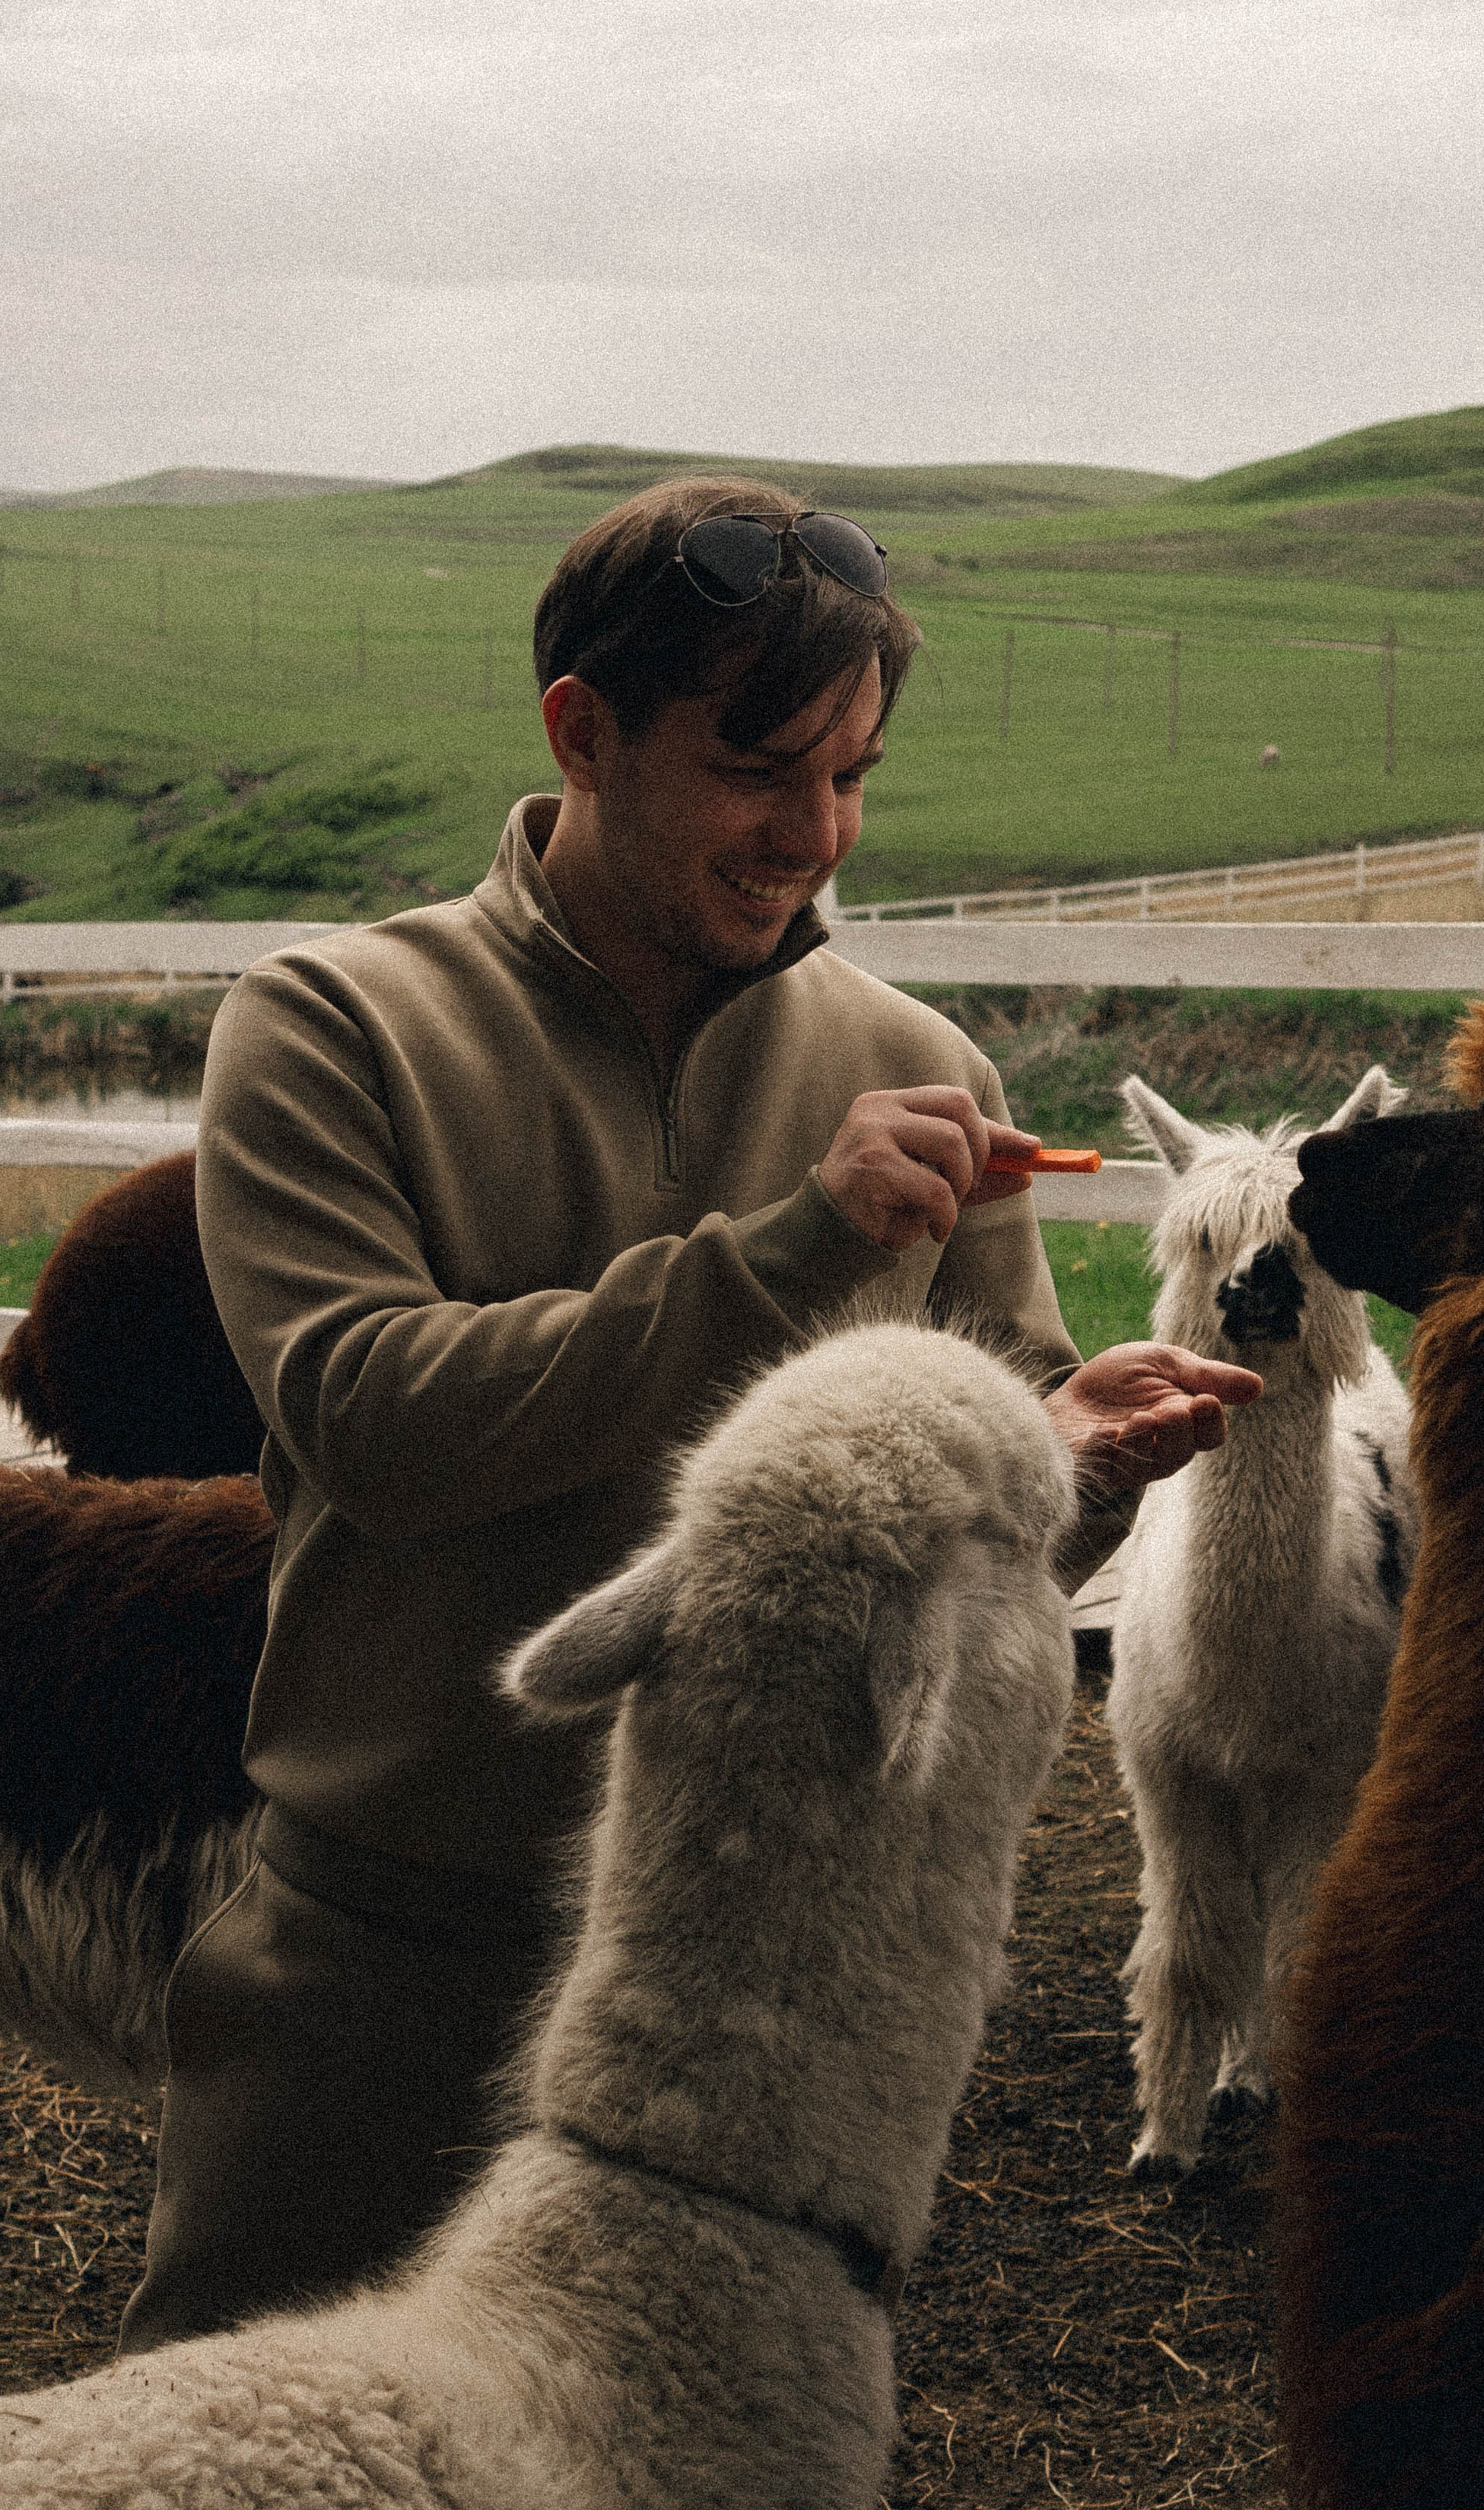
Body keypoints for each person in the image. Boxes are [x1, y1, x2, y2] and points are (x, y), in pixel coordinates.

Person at [121, 476, 1261, 2351]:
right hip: (395, 1955)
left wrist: (1080, 1463)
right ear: (583, 731)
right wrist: (796, 1245)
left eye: (852, 776)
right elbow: (373, 1426)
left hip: (778, 1976)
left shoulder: (922, 1067)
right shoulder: (330, 1025)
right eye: (758, 768)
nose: (812, 835)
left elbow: (1008, 1472)